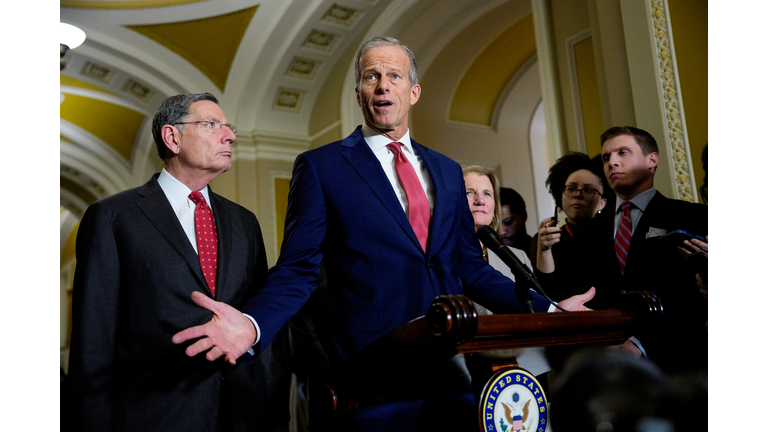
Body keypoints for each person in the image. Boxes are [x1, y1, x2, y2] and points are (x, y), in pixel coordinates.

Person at [172, 37, 594, 431]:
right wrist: (252, 323)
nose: (381, 86)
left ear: (413, 92)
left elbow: (469, 267)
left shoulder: (448, 171)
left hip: (453, 370)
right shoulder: (322, 168)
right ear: (359, 94)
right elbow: (299, 270)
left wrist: (552, 312)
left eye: (394, 75)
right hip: (375, 376)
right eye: (370, 76)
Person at [67, 93, 291, 432]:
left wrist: (276, 413)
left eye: (228, 127)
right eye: (212, 125)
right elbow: (93, 342)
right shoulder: (113, 218)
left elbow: (263, 316)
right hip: (154, 417)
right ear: (173, 138)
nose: (229, 135)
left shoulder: (245, 221)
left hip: (243, 414)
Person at [562, 126, 708, 373]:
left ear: (652, 160)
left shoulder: (692, 216)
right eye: (607, 157)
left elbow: (693, 296)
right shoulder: (586, 232)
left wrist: (641, 343)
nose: (612, 162)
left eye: (622, 152)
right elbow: (575, 289)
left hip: (676, 361)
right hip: (604, 360)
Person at [531, 153, 609, 301]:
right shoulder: (546, 238)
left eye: (588, 190)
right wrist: (545, 250)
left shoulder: (612, 236)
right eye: (571, 188)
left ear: (602, 203)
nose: (577, 195)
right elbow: (544, 292)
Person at [498, 187, 533, 258]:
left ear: (524, 216)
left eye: (508, 222)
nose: (501, 231)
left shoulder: (541, 252)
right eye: (496, 225)